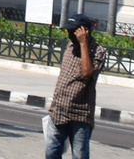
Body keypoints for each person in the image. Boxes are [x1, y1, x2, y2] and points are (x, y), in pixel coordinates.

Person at [45, 14, 101, 159]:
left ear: (85, 31)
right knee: (52, 152)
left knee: (80, 155)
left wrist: (83, 44)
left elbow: (87, 72)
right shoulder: (70, 46)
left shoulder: (98, 51)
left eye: (73, 31)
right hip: (58, 109)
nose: (69, 34)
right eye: (68, 31)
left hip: (80, 114)